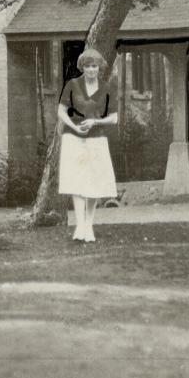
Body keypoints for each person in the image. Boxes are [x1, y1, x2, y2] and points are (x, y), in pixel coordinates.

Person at [57, 47, 118, 243]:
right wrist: (73, 128)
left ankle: (89, 225)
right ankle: (79, 225)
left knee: (94, 181)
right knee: (76, 180)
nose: (91, 70)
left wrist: (95, 122)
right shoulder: (72, 85)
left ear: (99, 68)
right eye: (87, 66)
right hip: (73, 139)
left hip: (96, 139)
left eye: (94, 66)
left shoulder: (106, 88)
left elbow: (115, 118)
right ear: (82, 67)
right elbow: (61, 111)